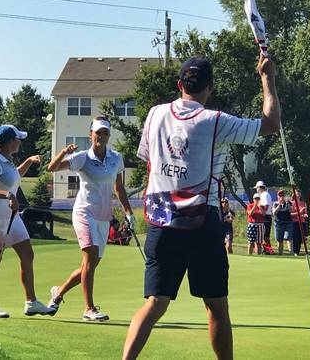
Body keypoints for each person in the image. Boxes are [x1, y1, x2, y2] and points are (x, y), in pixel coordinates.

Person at [122, 54, 279, 360]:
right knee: (216, 306)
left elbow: (149, 162)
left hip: (160, 219)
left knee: (155, 302)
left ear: (180, 84)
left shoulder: (154, 114)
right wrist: (267, 78)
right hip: (202, 223)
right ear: (210, 88)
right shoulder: (215, 120)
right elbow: (271, 123)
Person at [47, 116, 134, 322]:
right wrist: (63, 153)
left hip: (104, 216)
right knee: (90, 256)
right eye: (98, 132)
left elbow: (118, 187)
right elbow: (52, 168)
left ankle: (58, 293)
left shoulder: (116, 158)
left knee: (91, 264)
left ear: (108, 136)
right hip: (84, 212)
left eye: (105, 133)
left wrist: (129, 213)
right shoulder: (82, 157)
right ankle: (89, 308)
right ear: (91, 134)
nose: (101, 136)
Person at [0, 124, 55, 318]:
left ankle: (31, 302)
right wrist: (8, 195)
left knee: (27, 253)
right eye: (17, 139)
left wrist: (29, 161)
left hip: (11, 215)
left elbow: (14, 177)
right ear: (9, 142)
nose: (19, 142)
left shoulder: (7, 161)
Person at [272, 189, 292, 255]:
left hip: (287, 222)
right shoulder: (275, 203)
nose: (281, 197)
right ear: (277, 196)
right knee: (279, 239)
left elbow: (291, 210)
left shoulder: (288, 203)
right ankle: (280, 253)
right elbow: (274, 213)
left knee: (289, 237)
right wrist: (279, 205)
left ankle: (291, 253)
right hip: (278, 223)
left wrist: (287, 203)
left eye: (283, 195)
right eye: (280, 195)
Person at [290, 189, 309, 255]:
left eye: (299, 193)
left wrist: (304, 215)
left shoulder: (303, 203)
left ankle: (299, 250)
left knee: (302, 238)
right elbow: (290, 214)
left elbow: (305, 214)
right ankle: (296, 252)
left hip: (302, 222)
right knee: (295, 237)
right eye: (297, 193)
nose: (298, 194)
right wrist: (299, 213)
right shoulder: (291, 203)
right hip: (294, 222)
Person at [254, 181, 272, 248]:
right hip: (265, 216)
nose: (256, 189)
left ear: (259, 187)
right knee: (264, 236)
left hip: (265, 217)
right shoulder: (264, 194)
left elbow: (265, 207)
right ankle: (266, 250)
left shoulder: (265, 194)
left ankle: (269, 250)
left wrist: (259, 206)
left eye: (257, 188)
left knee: (265, 236)